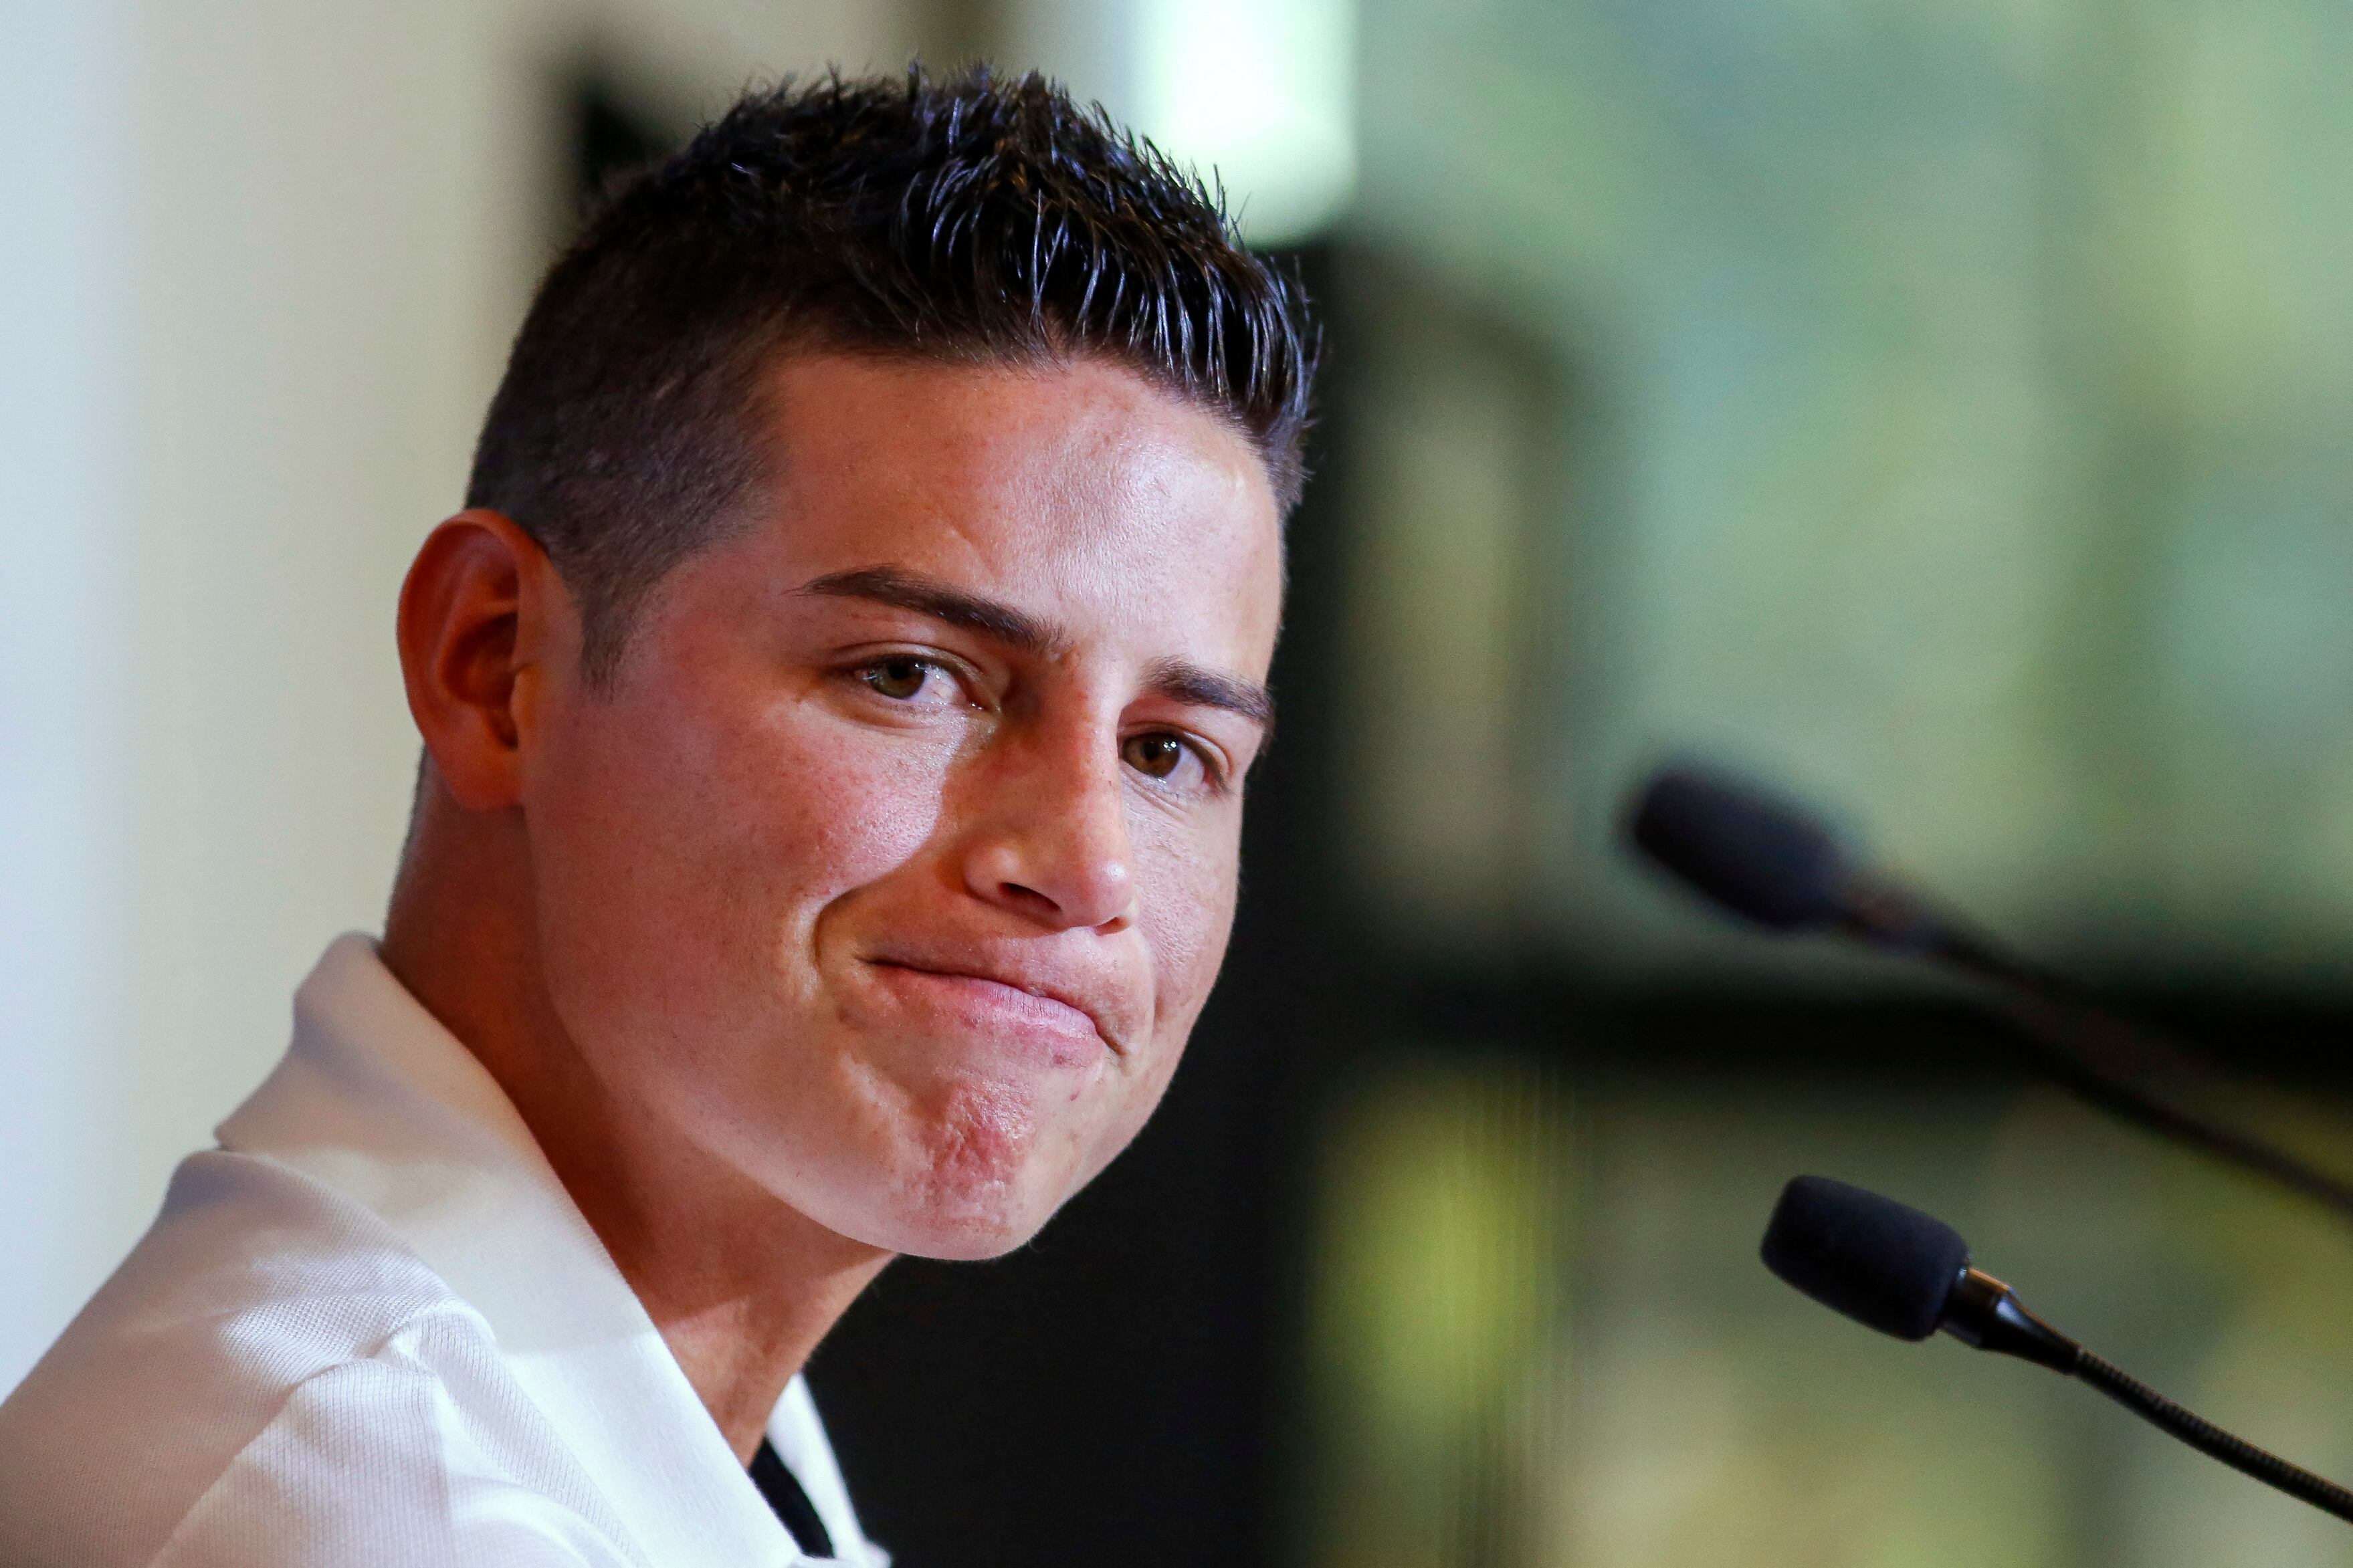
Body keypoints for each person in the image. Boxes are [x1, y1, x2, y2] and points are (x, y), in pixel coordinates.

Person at [0, 66, 1313, 1565]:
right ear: (494, 664)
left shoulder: (672, 1445)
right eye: (912, 675)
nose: (1083, 866)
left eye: (1167, 754)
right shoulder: (379, 1515)